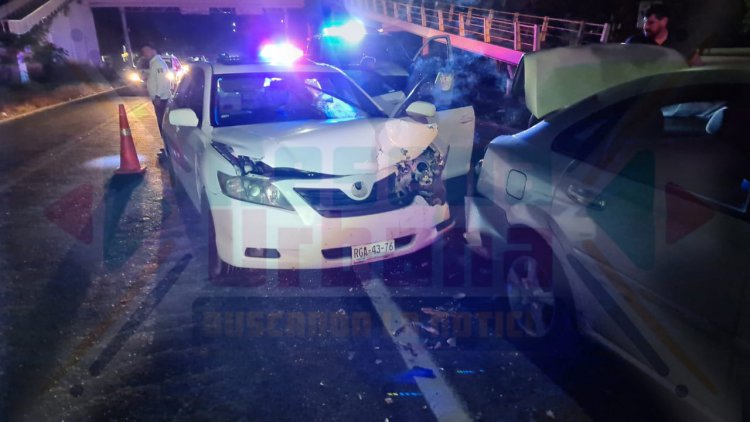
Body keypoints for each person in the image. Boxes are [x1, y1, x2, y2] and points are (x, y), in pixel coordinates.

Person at [625, 5, 701, 65]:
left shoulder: (680, 43)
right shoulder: (634, 42)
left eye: (651, 23)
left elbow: (697, 67)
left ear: (664, 21)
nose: (646, 27)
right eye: (645, 23)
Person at [140, 43, 172, 158]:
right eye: (144, 52)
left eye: (147, 50)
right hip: (159, 99)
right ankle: (167, 148)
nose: (145, 54)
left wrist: (158, 96)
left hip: (161, 100)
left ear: (154, 50)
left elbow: (163, 82)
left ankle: (168, 150)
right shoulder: (154, 64)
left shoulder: (158, 64)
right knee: (161, 125)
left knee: (163, 125)